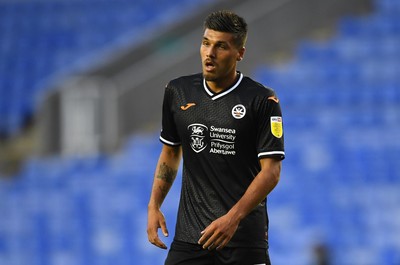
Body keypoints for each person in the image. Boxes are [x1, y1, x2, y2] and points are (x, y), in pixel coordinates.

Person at [147, 10, 285, 265]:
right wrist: (154, 205)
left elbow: (271, 172)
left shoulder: (262, 100)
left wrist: (232, 218)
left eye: (221, 46)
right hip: (191, 238)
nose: (209, 53)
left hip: (242, 240)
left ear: (239, 53)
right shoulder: (178, 91)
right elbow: (170, 152)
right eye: (206, 43)